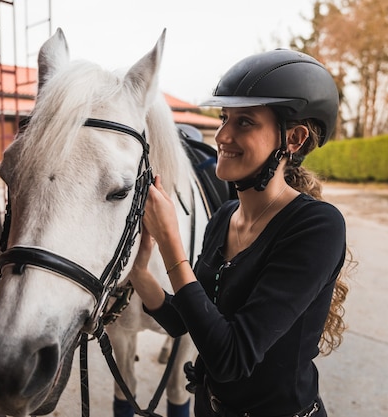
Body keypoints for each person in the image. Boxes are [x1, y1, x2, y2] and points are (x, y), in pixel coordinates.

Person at [129, 49, 350, 417]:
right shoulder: (225, 217)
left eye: (244, 122)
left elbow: (231, 358)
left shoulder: (317, 227)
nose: (221, 135)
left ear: (293, 138)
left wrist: (171, 246)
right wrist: (138, 274)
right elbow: (187, 320)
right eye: (223, 117)